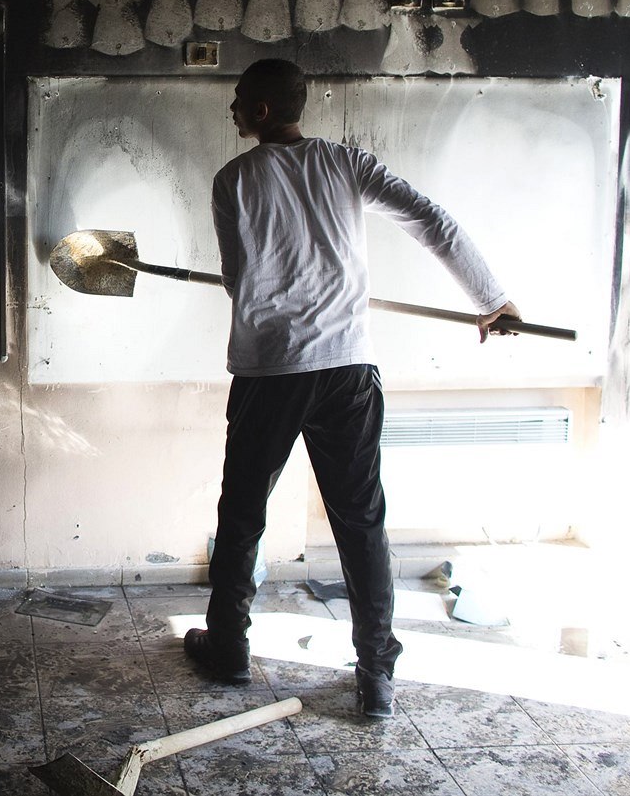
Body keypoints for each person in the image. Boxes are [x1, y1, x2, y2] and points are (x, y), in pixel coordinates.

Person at [183, 59, 518, 719]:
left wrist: (281, 282)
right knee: (361, 522)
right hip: (347, 369)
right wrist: (492, 300)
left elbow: (237, 281)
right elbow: (431, 220)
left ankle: (229, 649)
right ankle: (376, 674)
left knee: (243, 514)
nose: (232, 108)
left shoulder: (234, 180)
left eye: (239, 100)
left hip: (270, 373)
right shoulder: (345, 162)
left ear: (261, 112)